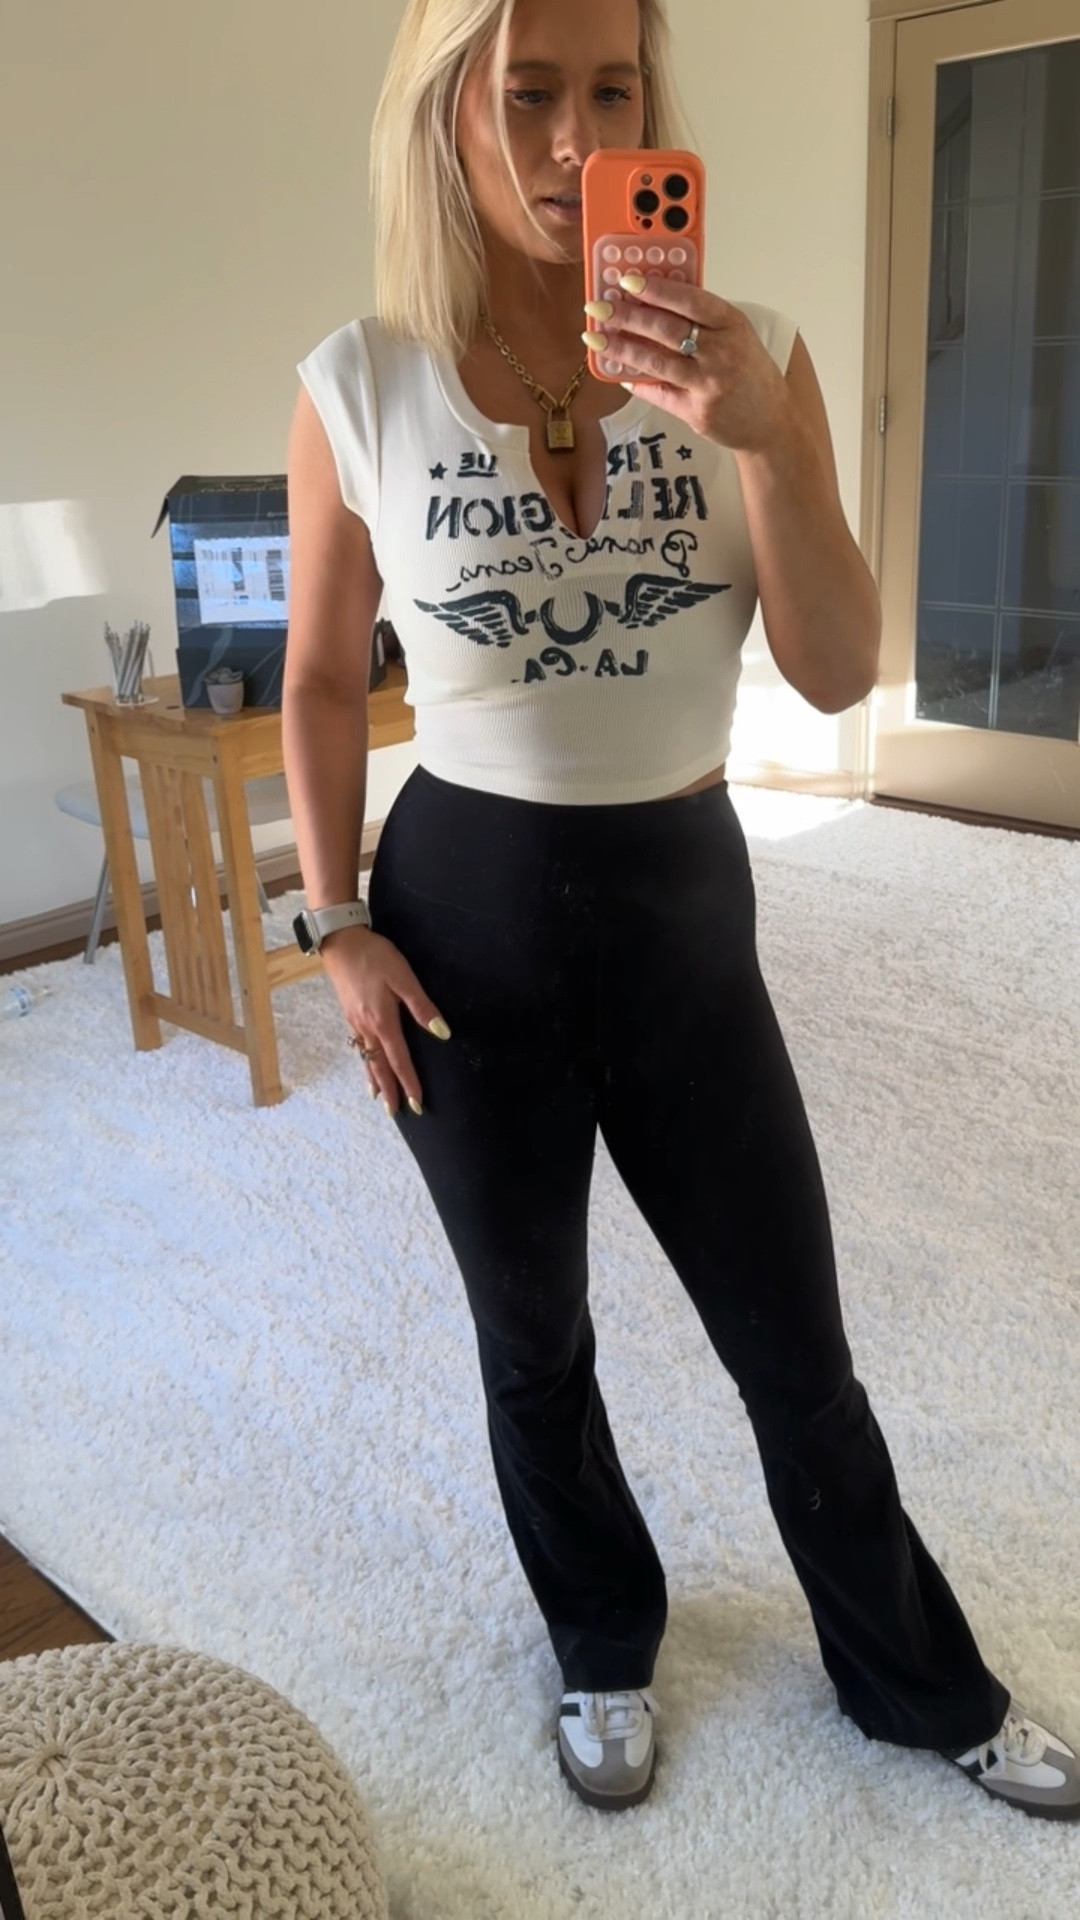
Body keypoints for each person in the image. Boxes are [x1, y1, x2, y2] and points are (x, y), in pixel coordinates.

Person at [282, 0, 1078, 1821]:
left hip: (684, 920)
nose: (577, 142)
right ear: (445, 115)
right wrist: (333, 921)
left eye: (612, 90)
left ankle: (922, 1682)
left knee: (794, 1346)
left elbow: (837, 669)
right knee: (531, 1339)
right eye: (528, 93)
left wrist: (771, 444)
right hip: (458, 921)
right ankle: (599, 1637)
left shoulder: (759, 355)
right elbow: (320, 678)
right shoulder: (359, 383)